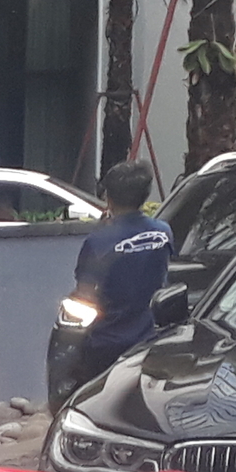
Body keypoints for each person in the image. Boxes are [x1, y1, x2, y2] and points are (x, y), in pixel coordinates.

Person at [68, 161, 175, 381]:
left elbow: (84, 294)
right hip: (149, 337)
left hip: (106, 341)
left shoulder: (98, 241)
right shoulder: (164, 232)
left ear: (109, 197)